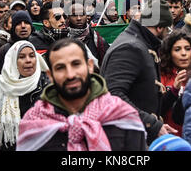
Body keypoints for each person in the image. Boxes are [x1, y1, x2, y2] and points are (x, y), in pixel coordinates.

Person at [16, 38, 146, 151]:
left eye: (76, 64)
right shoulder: (35, 122)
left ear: (90, 66)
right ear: (50, 75)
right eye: (60, 68)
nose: (70, 74)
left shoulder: (120, 115)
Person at [100, 0, 176, 145]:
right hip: (125, 141)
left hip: (135, 135)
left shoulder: (139, 43)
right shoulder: (130, 48)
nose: (168, 34)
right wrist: (151, 124)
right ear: (159, 27)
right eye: (168, 29)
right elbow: (113, 95)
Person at [0, 40, 49, 151]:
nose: (28, 61)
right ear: (13, 61)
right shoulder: (3, 85)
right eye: (22, 57)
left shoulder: (47, 84)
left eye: (32, 56)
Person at [159, 31, 191, 135]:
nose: (183, 53)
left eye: (188, 49)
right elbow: (158, 109)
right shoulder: (162, 74)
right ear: (169, 53)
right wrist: (174, 90)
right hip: (170, 137)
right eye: (177, 49)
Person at [0, 10, 34, 83]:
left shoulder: (37, 45)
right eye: (18, 23)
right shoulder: (4, 50)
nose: (23, 26)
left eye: (27, 23)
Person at [66, 0, 109, 68]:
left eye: (82, 14)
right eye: (74, 15)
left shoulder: (98, 40)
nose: (79, 18)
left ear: (87, 16)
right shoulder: (62, 38)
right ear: (68, 18)